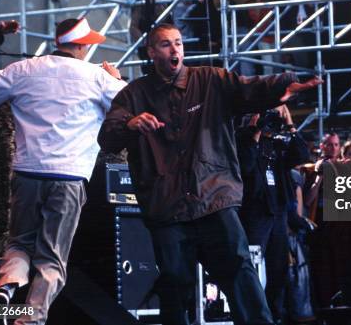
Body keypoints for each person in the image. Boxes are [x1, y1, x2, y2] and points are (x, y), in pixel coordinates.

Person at [97, 23, 320, 325]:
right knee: (175, 282)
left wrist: (285, 84)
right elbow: (108, 136)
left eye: (178, 43)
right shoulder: (134, 94)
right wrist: (131, 123)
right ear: (151, 52)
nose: (174, 50)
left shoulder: (211, 80)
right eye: (165, 44)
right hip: (167, 206)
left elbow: (250, 88)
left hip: (213, 196)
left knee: (240, 269)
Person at [0, 17, 126, 324]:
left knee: (18, 243)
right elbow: (129, 104)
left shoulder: (24, 69)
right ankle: (30, 319)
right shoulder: (95, 77)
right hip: (69, 177)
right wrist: (116, 77)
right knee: (52, 257)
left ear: (59, 42)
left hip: (28, 173)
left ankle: (7, 285)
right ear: (82, 46)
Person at [236, 105, 310, 323]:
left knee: (279, 270)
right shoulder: (242, 139)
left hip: (277, 212)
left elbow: (301, 154)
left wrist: (289, 124)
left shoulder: (277, 144)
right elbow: (246, 168)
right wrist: (254, 131)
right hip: (255, 213)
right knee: (254, 270)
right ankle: (253, 316)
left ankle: (274, 316)